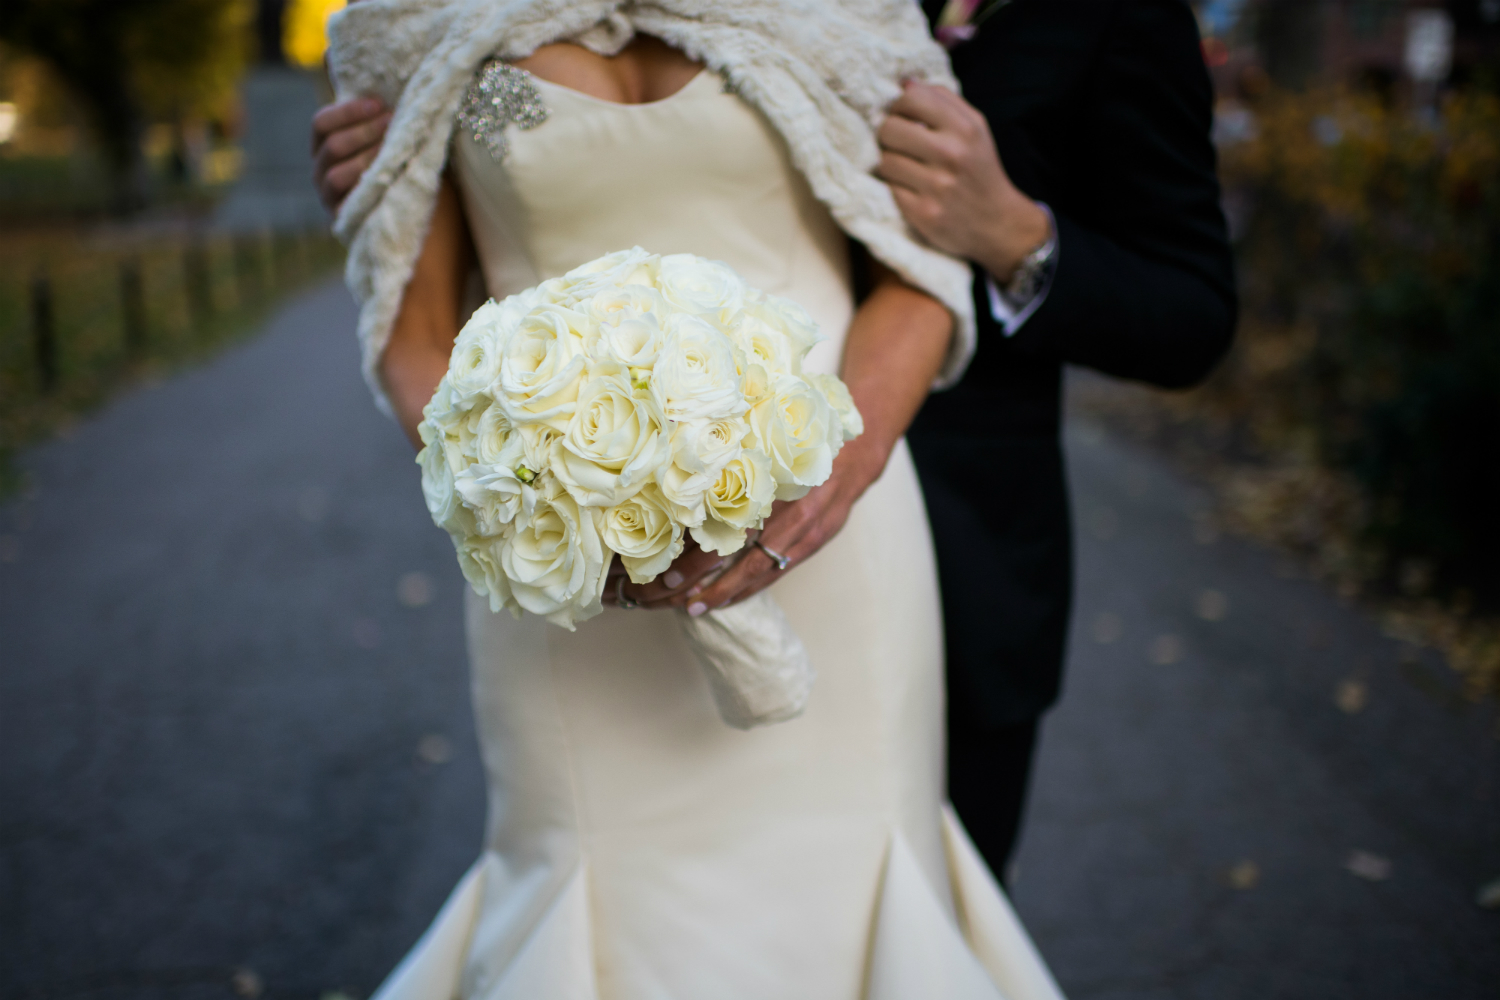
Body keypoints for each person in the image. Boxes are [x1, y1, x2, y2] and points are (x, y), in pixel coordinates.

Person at [319, 1, 1063, 997]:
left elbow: (922, 273)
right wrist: (529, 492)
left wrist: (833, 479)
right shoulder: (422, 20)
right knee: (589, 871)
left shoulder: (851, 13)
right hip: (566, 573)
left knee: (843, 880)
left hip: (835, 527)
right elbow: (412, 332)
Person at [874, 0, 1238, 877]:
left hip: (961, 583)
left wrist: (1015, 237)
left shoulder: (1113, 14)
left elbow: (1193, 313)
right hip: (712, 528)